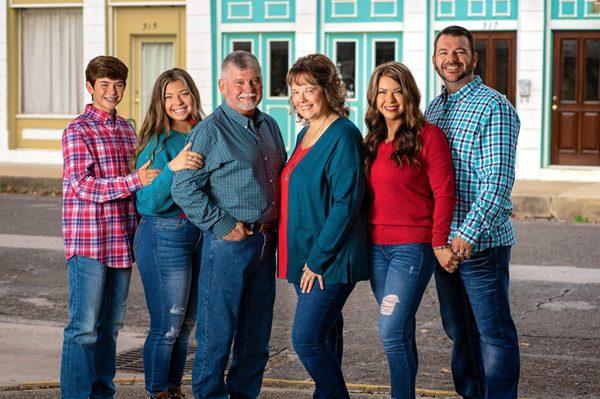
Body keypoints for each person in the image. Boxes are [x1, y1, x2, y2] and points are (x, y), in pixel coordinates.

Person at [171, 51, 286, 399]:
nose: (248, 89)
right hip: (229, 245)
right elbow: (183, 188)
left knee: (255, 339)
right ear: (223, 86)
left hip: (266, 245)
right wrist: (221, 224)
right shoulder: (210, 131)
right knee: (216, 335)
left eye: (254, 81)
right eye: (239, 82)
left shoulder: (270, 124)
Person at [425, 25, 521, 399]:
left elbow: (496, 182)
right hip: (443, 245)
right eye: (444, 52)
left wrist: (466, 235)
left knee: (493, 333)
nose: (452, 58)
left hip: (480, 246)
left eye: (460, 52)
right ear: (435, 59)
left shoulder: (494, 106)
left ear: (474, 58)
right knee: (459, 331)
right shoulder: (434, 109)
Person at [60, 55, 160, 399]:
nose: (112, 91)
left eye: (118, 85)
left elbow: (139, 186)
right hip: (88, 241)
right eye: (104, 85)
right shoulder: (77, 130)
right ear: (90, 88)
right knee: (83, 329)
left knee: (111, 329)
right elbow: (81, 185)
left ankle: (103, 394)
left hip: (121, 241)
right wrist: (134, 180)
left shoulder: (127, 128)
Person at [277, 53, 369, 399]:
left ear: (327, 89)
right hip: (305, 257)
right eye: (295, 90)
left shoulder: (342, 134)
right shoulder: (306, 132)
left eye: (308, 89)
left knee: (306, 339)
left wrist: (317, 260)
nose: (301, 98)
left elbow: (347, 204)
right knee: (326, 336)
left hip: (327, 261)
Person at [364, 61, 457, 398]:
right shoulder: (372, 140)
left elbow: (445, 192)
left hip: (411, 248)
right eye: (382, 92)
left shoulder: (428, 136)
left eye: (397, 91)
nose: (390, 99)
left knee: (390, 330)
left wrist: (438, 242)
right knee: (400, 331)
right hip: (376, 248)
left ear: (410, 94)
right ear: (373, 98)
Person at [132, 68, 205, 399]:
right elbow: (147, 202)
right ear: (159, 103)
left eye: (183, 93)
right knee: (167, 325)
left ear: (193, 94)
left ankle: (173, 390)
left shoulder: (204, 132)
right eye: (169, 96)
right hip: (163, 235)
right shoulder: (156, 143)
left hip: (199, 235)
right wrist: (173, 168)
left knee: (186, 325)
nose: (178, 102)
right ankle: (158, 392)